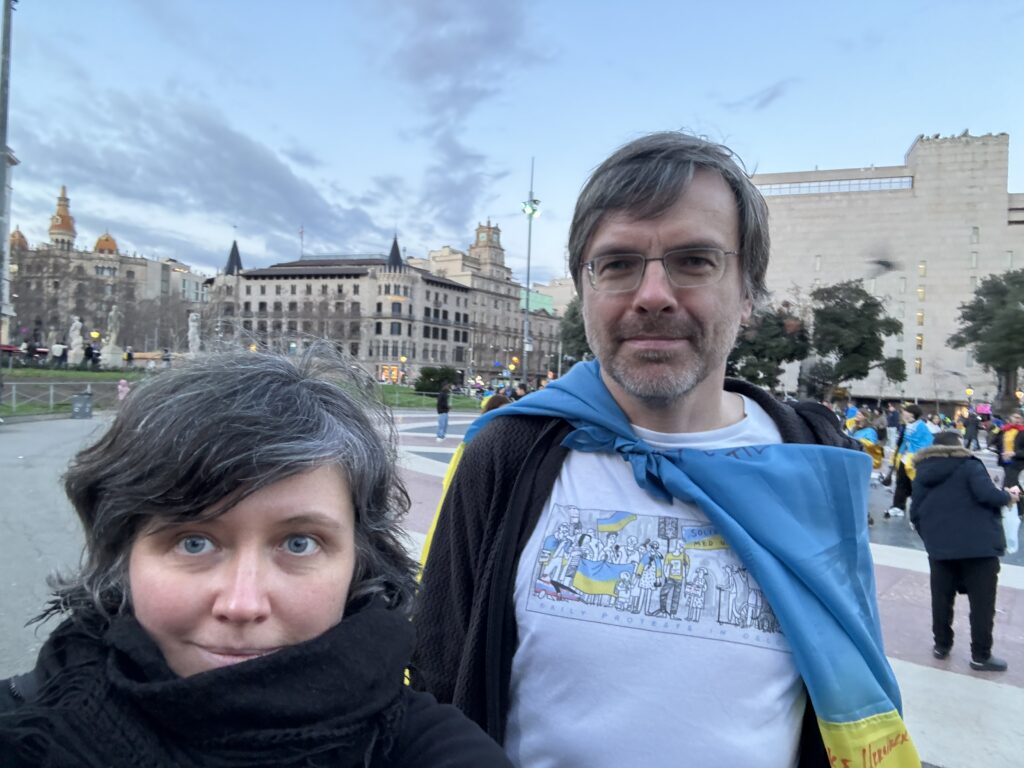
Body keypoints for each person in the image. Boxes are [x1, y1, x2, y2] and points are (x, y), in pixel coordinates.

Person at [412, 132, 919, 767]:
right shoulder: (506, 454)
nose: (653, 294)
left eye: (695, 260)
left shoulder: (813, 460)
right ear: (585, 291)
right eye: (618, 264)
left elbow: (853, 675)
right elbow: (436, 674)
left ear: (748, 293)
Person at [0, 346, 511, 768]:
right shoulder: (23, 729)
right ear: (122, 551)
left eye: (299, 543)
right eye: (194, 541)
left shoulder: (432, 750)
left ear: (361, 561)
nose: (242, 605)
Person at [910, 431, 1020, 672]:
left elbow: (915, 512)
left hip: (940, 547)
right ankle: (980, 655)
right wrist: (1008, 496)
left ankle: (941, 645)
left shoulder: (922, 471)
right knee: (982, 604)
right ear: (959, 446)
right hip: (978, 546)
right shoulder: (969, 465)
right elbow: (987, 495)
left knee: (941, 598)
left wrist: (931, 538)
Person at [887, 404, 933, 519]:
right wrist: (897, 455)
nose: (903, 413)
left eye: (905, 411)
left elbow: (927, 442)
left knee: (914, 484)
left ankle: (918, 509)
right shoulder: (907, 424)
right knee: (901, 482)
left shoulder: (921, 426)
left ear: (912, 414)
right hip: (905, 458)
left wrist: (916, 454)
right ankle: (898, 506)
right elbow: (904, 442)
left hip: (914, 460)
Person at [1000, 412, 1024, 517]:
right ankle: (1010, 508)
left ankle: (1019, 511)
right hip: (1007, 463)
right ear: (1010, 418)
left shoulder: (1022, 432)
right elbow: (1000, 444)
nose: (1017, 419)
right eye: (1015, 417)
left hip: (1018, 463)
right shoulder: (1005, 430)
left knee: (1012, 485)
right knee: (1010, 485)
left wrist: (1014, 453)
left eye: (1019, 418)